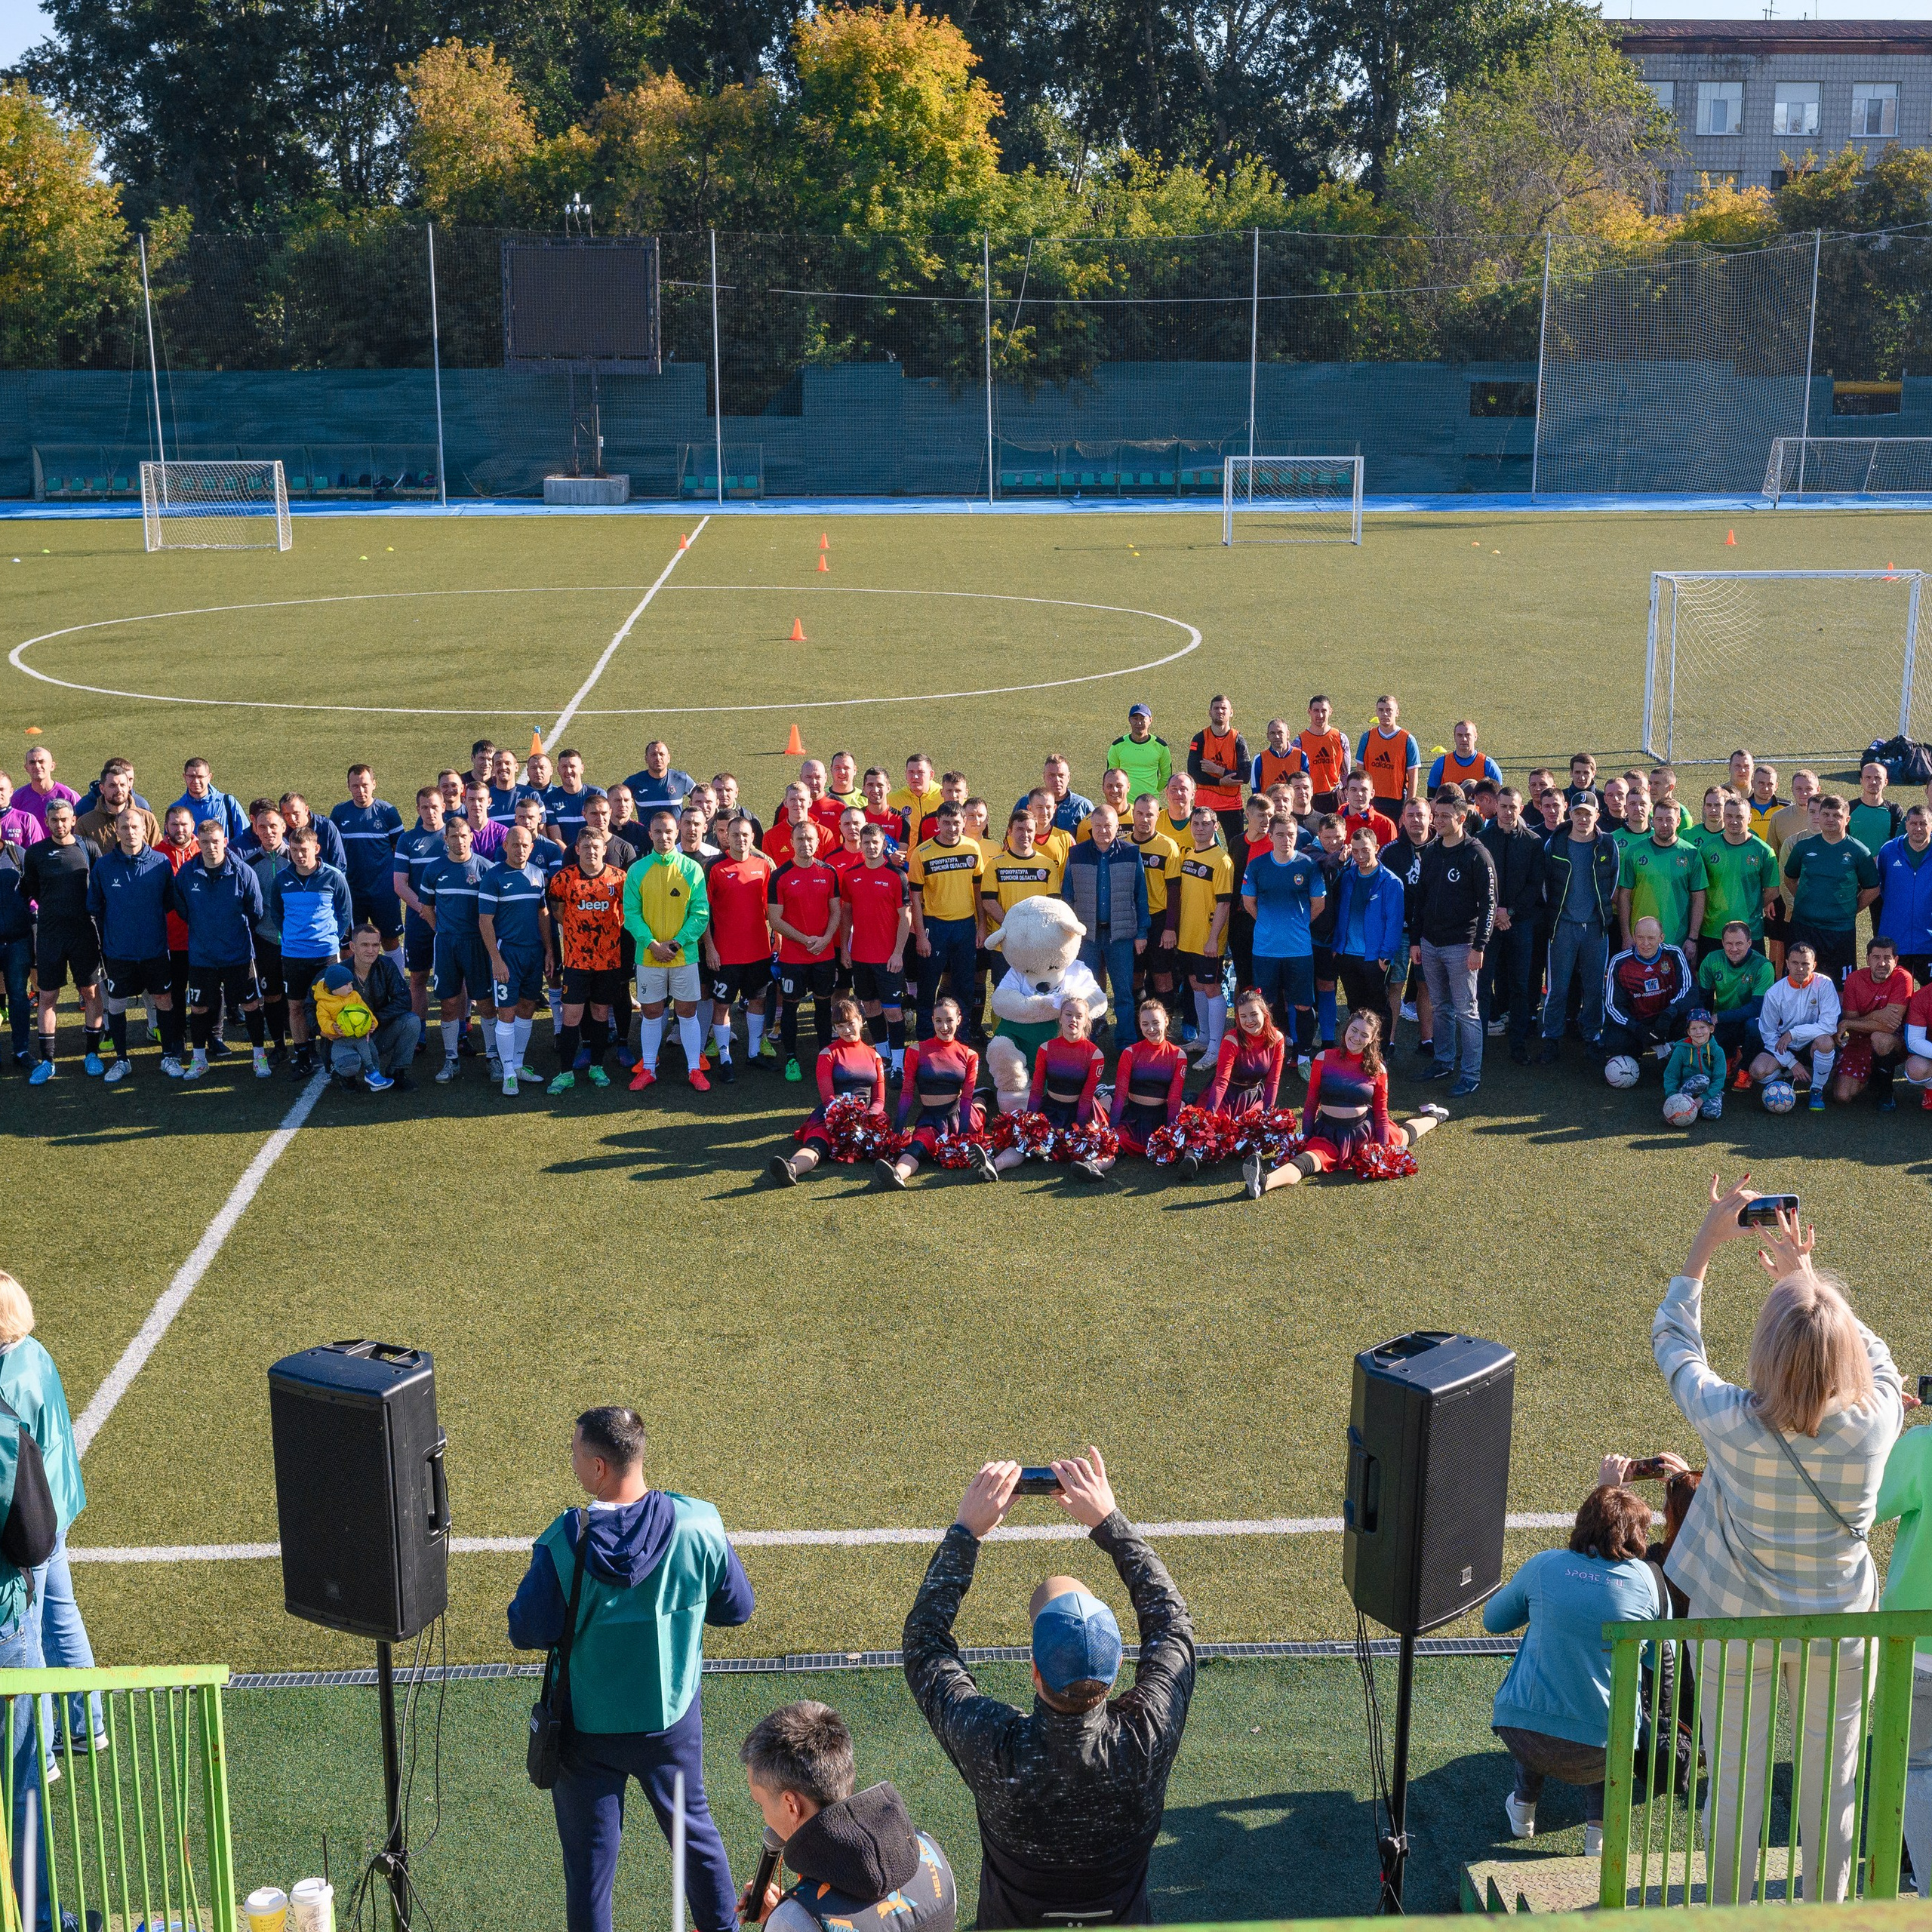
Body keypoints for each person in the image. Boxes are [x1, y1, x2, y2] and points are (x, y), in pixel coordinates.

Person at [1653, 1180, 1902, 1906]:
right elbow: (1875, 1357)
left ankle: (1729, 1918)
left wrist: (1706, 1242)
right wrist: (1808, 1280)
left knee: (1733, 1785)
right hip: (1840, 1627)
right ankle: (1824, 1918)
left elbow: (1674, 1339)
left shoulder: (1731, 1419)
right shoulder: (1877, 1420)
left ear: (1766, 1348)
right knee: (1837, 1789)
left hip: (1736, 1624)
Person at [903, 1448, 1194, 1931]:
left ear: (1034, 1671)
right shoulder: (1146, 1738)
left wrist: (966, 1532)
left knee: (1055, 1591)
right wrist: (1108, 1519)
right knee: (1063, 1589)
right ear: (1118, 1666)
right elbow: (1173, 1627)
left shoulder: (994, 1745)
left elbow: (924, 1645)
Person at [508, 1406, 753, 1932]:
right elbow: (737, 1608)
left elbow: (525, 1629)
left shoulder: (565, 1541)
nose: (571, 1460)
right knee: (696, 1838)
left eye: (575, 1452)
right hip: (671, 1722)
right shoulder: (700, 1523)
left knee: (590, 1871)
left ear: (598, 1467)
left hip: (585, 1731)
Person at [1481, 1473, 1668, 1858]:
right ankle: (1597, 1835)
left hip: (1524, 1735)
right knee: (1612, 1711)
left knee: (1542, 1686)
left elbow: (1493, 1621)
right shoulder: (1647, 1583)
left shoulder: (1545, 1566)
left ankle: (1523, 1808)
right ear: (1637, 1536)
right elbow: (1655, 1658)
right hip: (1601, 1752)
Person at [738, 1701, 957, 1932]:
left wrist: (786, 1921)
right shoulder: (932, 1855)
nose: (764, 1816)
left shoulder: (795, 1921)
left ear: (792, 1805)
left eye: (760, 1803)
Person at [0, 1271, 101, 1765]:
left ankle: (40, 1753)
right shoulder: (32, 1351)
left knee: (30, 1631)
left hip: (31, 1521)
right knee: (63, 1617)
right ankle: (88, 1725)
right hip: (58, 1502)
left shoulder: (5, 1380)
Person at [1247, 1007, 1444, 1198]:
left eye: (1364, 1035)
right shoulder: (1324, 1058)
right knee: (1307, 1161)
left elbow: (1381, 1114)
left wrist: (1382, 1149)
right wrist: (1305, 1137)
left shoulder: (1378, 1069)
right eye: (1354, 1030)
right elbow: (1311, 1103)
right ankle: (1263, 1183)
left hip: (1364, 1134)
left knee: (1404, 1135)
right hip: (1328, 1133)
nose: (1357, 1038)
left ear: (1372, 1039)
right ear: (1346, 1029)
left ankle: (1434, 1117)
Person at [1872, 1394, 1932, 1896]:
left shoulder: (1923, 1446)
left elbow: (1863, 1507)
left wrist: (1888, 1435)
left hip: (1917, 1645)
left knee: (1915, 1768)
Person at [86, 805, 186, 1081]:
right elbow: (94, 906)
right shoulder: (104, 866)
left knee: (163, 1000)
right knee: (117, 1004)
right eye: (125, 828)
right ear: (116, 831)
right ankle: (121, 1060)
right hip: (119, 953)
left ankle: (168, 1056)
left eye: (135, 827)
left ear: (145, 829)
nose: (130, 832)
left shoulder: (161, 864)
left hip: (155, 950)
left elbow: (169, 903)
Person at [166, 817, 269, 1081]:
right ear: (197, 843)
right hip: (202, 956)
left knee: (250, 1004)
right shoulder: (188, 874)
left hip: (238, 954)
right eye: (204, 843)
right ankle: (199, 1060)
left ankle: (259, 1056)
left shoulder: (243, 872)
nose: (210, 847)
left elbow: (255, 911)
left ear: (224, 842)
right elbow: (183, 910)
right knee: (199, 1008)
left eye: (215, 842)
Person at [1410, 786, 1494, 1098]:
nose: (1438, 821)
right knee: (1440, 1007)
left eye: (1445, 816)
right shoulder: (1430, 852)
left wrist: (1479, 946)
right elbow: (1420, 900)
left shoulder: (1477, 854)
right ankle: (1444, 1062)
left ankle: (1471, 1074)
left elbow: (1489, 904)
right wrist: (1418, 941)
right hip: (1430, 945)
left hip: (1462, 947)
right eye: (1436, 815)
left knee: (1467, 1012)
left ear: (1461, 818)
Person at [624, 810, 712, 1095]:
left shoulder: (691, 869)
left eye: (669, 832)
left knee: (687, 1012)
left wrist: (675, 944)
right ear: (650, 835)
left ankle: (693, 1069)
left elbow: (700, 914)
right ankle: (648, 1068)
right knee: (651, 1013)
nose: (664, 837)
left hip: (683, 956)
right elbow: (631, 915)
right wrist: (652, 945)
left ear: (677, 834)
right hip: (649, 957)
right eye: (658, 832)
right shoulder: (638, 870)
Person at [22, 799, 103, 1084]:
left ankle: (92, 1054)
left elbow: (99, 886)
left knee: (91, 992)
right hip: (50, 935)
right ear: (47, 822)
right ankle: (48, 1060)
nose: (59, 825)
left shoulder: (88, 847)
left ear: (73, 820)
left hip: (84, 934)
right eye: (54, 820)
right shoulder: (35, 853)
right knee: (47, 996)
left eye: (64, 819)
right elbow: (29, 890)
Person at [265, 824, 355, 1078]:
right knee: (294, 1006)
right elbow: (277, 913)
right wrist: (294, 937)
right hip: (294, 955)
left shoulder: (333, 877)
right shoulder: (282, 879)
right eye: (294, 850)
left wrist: (331, 940)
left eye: (303, 850)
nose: (298, 855)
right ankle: (302, 1055)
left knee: (332, 1005)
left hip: (326, 954)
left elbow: (344, 913)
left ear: (316, 849)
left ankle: (333, 1056)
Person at [989, 998, 1112, 1182]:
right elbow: (1037, 1089)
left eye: (1079, 1016)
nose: (1073, 1020)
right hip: (1051, 1110)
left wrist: (1078, 1128)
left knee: (1103, 1147)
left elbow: (1086, 1097)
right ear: (1060, 1018)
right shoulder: (1046, 1048)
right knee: (1023, 1143)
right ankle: (994, 1164)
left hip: (1082, 1112)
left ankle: (1093, 1166)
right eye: (1068, 1014)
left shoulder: (1095, 1054)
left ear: (1087, 1021)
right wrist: (1029, 1121)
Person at [769, 996, 888, 1185]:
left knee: (885, 1146)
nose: (847, 1030)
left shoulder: (874, 1055)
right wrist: (842, 1118)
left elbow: (879, 1099)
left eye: (850, 1023)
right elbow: (827, 1098)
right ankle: (792, 1168)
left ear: (861, 1021)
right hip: (832, 1116)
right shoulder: (827, 1054)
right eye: (840, 1026)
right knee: (819, 1142)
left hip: (867, 1117)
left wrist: (869, 1118)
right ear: (834, 1028)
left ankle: (893, 1174)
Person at [546, 829, 629, 1093]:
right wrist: (576, 929)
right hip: (576, 962)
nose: (591, 851)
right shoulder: (563, 878)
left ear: (604, 849)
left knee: (601, 1013)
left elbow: (627, 912)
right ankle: (565, 1072)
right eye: (586, 847)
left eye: (596, 846)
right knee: (571, 1016)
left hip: (608, 961)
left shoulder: (619, 878)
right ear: (577, 849)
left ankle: (597, 1066)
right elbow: (558, 911)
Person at [878, 997, 984, 1188]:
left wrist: (961, 1135)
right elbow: (907, 1093)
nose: (944, 1027)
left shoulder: (969, 1055)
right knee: (918, 1145)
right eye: (939, 1021)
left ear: (959, 1020)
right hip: (931, 1118)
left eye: (950, 1020)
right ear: (932, 1020)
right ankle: (897, 1174)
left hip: (960, 1115)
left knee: (979, 1108)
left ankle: (984, 1097)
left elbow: (966, 1097)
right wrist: (897, 1130)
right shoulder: (916, 1051)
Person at [479, 824, 553, 1096]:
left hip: (533, 954)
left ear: (531, 848)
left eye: (525, 845)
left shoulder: (537, 875)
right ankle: (508, 1071)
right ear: (505, 846)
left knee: (527, 1007)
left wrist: (549, 951)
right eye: (515, 844)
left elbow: (543, 915)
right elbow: (485, 921)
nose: (520, 849)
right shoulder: (494, 877)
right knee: (507, 1012)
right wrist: (496, 960)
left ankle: (519, 1064)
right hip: (507, 954)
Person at [1241, 813, 1324, 1056]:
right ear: (1271, 836)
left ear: (1296, 836)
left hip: (1299, 950)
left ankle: (1304, 1054)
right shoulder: (1257, 866)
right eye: (1280, 834)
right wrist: (1269, 923)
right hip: (1265, 949)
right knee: (1266, 1005)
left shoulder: (1308, 866)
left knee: (1302, 1004)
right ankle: (1269, 1052)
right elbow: (1249, 903)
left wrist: (1297, 925)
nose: (1286, 839)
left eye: (1291, 835)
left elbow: (1318, 905)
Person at [1060, 807, 1146, 1038]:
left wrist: (1142, 932)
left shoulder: (1131, 853)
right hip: (1087, 937)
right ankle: (1087, 1040)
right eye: (1097, 826)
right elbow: (1067, 895)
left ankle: (1125, 1041)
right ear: (1091, 828)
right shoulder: (1076, 854)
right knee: (1086, 993)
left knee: (1124, 993)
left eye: (1108, 825)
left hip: (1121, 936)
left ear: (1117, 827)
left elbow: (1140, 895)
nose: (1103, 831)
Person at [770, 820, 844, 1081]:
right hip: (794, 957)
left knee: (824, 1006)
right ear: (791, 843)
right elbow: (775, 919)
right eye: (800, 839)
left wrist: (824, 940)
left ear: (818, 841)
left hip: (823, 954)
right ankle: (791, 1058)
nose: (805, 844)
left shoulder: (829, 872)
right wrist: (804, 940)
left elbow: (836, 911)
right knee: (790, 1007)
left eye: (810, 839)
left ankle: (825, 1057)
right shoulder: (779, 875)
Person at [309, 924, 422, 1091]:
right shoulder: (335, 973)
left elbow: (404, 1000)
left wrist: (370, 1020)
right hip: (344, 1039)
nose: (371, 950)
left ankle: (397, 1072)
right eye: (365, 945)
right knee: (349, 1064)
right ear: (353, 947)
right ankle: (346, 1076)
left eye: (375, 945)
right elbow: (309, 1007)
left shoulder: (387, 965)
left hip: (375, 1033)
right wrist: (322, 1030)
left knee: (412, 1021)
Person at [705, 816, 776, 1079]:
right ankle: (725, 1058)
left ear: (752, 837)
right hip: (726, 954)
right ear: (727, 837)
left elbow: (772, 910)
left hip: (758, 951)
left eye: (745, 835)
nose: (741, 839)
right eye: (735, 835)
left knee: (757, 1001)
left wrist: (776, 938)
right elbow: (703, 913)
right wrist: (710, 948)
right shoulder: (715, 867)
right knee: (722, 1005)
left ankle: (754, 1053)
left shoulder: (763, 865)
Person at [839, 823, 911, 1081]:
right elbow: (846, 913)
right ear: (860, 845)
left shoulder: (897, 876)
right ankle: (884, 1058)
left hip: (888, 958)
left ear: (884, 844)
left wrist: (898, 953)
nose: (870, 847)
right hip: (860, 956)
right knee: (870, 1007)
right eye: (866, 842)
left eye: (875, 843)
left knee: (893, 1011)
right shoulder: (850, 875)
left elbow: (906, 918)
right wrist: (845, 948)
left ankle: (900, 1064)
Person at [1783, 792, 1878, 986]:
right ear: (1819, 816)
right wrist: (1805, 901)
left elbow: (1873, 889)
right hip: (1804, 927)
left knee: (1841, 985)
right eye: (1826, 814)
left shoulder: (1859, 852)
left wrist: (1848, 909)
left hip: (1840, 931)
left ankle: (1839, 1018)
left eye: (1837, 816)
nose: (1830, 819)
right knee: (1801, 979)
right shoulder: (1803, 847)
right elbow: (1790, 878)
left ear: (1847, 819)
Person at [908, 804, 983, 1044]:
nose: (952, 828)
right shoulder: (922, 852)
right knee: (928, 987)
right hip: (935, 927)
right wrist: (920, 935)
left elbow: (978, 890)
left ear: (964, 823)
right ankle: (925, 1040)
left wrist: (981, 925)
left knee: (964, 987)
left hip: (965, 926)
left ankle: (960, 1040)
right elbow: (915, 899)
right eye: (947, 823)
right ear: (938, 823)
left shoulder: (972, 848)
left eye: (956, 823)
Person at [1479, 788, 1543, 1063]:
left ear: (1521, 808)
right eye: (1503, 806)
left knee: (1520, 984)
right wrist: (1495, 913)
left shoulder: (1533, 842)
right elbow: (1480, 883)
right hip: (1488, 924)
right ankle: (1477, 1044)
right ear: (1496, 806)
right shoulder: (1482, 840)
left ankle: (1518, 1044)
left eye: (1513, 807)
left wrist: (1510, 912)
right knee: (1482, 984)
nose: (1508, 812)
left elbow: (1535, 886)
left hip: (1521, 923)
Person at [1172, 804, 1235, 1066]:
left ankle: (1215, 1048)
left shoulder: (1222, 860)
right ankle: (1203, 1037)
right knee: (1196, 984)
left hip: (1208, 939)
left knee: (1211, 987)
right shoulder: (1187, 856)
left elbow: (1224, 904)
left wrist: (1213, 938)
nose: (1200, 829)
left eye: (1206, 824)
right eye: (1196, 824)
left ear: (1215, 826)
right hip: (1187, 936)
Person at [1330, 824, 1407, 1035]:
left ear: (1376, 847)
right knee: (1355, 1008)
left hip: (1374, 959)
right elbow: (1339, 913)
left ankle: (1381, 1052)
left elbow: (1394, 922)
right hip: (1346, 955)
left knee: (1378, 1009)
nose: (1360, 856)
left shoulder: (1391, 882)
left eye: (1365, 850)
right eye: (1355, 851)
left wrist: (1386, 956)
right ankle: (1358, 1053)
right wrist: (1337, 947)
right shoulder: (1347, 877)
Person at [1751, 940, 1842, 1111]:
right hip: (1785, 1046)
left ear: (1814, 965)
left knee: (1826, 1042)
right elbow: (1768, 1034)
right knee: (1758, 1071)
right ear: (1787, 964)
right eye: (1795, 963)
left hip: (1812, 1043)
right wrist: (1791, 1063)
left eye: (1805, 964)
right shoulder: (1775, 992)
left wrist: (1794, 1033)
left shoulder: (1825, 984)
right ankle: (1786, 1075)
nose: (1800, 968)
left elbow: (1829, 1026)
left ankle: (1817, 1089)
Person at [329, 765, 405, 964]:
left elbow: (400, 849)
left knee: (390, 940)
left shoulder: (388, 812)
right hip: (352, 891)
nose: (360, 791)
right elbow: (333, 849)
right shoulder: (339, 813)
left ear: (374, 784)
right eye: (355, 786)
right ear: (348, 786)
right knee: (350, 944)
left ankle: (397, 986)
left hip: (384, 891)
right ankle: (354, 988)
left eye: (364, 785)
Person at [1603, 917, 1693, 1078]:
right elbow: (1612, 1006)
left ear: (1661, 938)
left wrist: (1669, 1015)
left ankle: (1673, 1055)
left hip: (1666, 1019)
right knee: (1614, 1041)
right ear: (1634, 936)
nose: (1645, 943)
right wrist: (1636, 1028)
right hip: (1637, 1022)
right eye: (1640, 937)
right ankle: (1634, 1055)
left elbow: (1688, 990)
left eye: (1651, 938)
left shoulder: (1673, 954)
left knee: (1691, 1025)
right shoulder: (1619, 962)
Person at [1617, 798, 1706, 961]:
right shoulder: (1635, 852)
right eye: (1659, 819)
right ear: (1653, 820)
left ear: (1678, 821)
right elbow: (1623, 896)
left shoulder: (1691, 853)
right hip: (1640, 939)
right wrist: (1626, 935)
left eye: (1669, 820)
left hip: (1678, 937)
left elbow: (1699, 898)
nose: (1664, 825)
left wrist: (1693, 938)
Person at [1829, 935, 1912, 1107]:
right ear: (1867, 959)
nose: (1882, 963)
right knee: (1842, 1096)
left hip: (1894, 1041)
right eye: (1876, 957)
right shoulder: (1854, 979)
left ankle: (1886, 1092)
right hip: (1859, 1040)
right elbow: (1851, 1022)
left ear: (1895, 960)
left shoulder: (1903, 978)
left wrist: (1850, 1024)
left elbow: (1888, 1026)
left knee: (1880, 1038)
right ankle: (1871, 1072)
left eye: (1887, 958)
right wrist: (1875, 1015)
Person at [392, 788, 448, 1033]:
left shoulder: (455, 835)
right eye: (425, 807)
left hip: (451, 921)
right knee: (417, 978)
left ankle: (461, 1029)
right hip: (419, 920)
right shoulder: (408, 840)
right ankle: (419, 1031)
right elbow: (399, 884)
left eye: (434, 807)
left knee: (456, 979)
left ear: (444, 807)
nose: (430, 812)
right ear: (417, 810)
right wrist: (426, 910)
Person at [1698, 792, 1779, 954]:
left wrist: (1752, 906)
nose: (1733, 821)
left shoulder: (1764, 851)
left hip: (1750, 931)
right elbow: (1698, 890)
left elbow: (1773, 891)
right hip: (1713, 929)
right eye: (1729, 816)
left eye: (1739, 817)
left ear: (1749, 818)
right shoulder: (1707, 849)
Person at [1697, 921, 1777, 1082]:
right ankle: (1729, 1056)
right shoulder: (1712, 960)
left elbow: (1757, 1008)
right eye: (1729, 944)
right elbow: (1703, 997)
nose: (1734, 949)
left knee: (1754, 1027)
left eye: (1739, 943)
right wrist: (1702, 1022)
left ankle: (1746, 1068)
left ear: (1749, 943)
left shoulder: (1763, 966)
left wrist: (1719, 1017)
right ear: (1722, 943)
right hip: (1725, 1019)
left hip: (1751, 1019)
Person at [1108, 999, 1188, 1158]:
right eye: (1145, 1024)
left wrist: (1170, 1131)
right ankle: (1095, 1166)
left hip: (1161, 1119)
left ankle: (1189, 1162)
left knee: (1179, 1145)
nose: (1151, 1029)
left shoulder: (1178, 1055)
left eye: (1155, 1023)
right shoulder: (1130, 1052)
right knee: (1113, 1144)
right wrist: (1113, 1127)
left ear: (1166, 1022)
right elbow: (1120, 1095)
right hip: (1133, 1119)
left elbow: (1174, 1098)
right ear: (1139, 1024)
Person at [1875, 804, 1932, 984]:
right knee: (1895, 998)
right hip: (1895, 938)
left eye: (1923, 823)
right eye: (1913, 823)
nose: (1918, 828)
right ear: (1906, 824)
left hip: (1929, 940)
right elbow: (1880, 886)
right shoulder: (1889, 850)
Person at [1186, 696, 1248, 851]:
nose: (1220, 711)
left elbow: (1245, 776)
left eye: (1224, 708)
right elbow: (1193, 772)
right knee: (1200, 847)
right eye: (1216, 708)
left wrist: (1218, 770)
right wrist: (1221, 782)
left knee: (1236, 849)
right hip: (1205, 804)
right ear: (1210, 712)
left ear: (1231, 713)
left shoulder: (1237, 740)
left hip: (1231, 806)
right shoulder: (1200, 738)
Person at [1356, 695, 1420, 823]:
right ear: (1376, 712)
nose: (1385, 714)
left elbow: (1413, 778)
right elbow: (1359, 774)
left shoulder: (1408, 740)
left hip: (1397, 802)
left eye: (1389, 710)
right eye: (1381, 710)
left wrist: (1407, 810)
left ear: (1397, 712)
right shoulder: (1367, 738)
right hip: (1371, 800)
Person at [75, 759, 158, 849]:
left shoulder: (147, 819)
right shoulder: (85, 824)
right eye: (112, 785)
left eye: (122, 785)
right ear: (102, 789)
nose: (119, 790)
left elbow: (159, 855)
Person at [1662, 1008, 1727, 1121]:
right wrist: (1672, 1095)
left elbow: (1719, 1080)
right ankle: (1681, 1102)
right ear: (1688, 1032)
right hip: (1688, 1087)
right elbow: (1671, 1075)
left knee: (1712, 1113)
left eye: (1702, 1027)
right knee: (1702, 1079)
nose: (1698, 1032)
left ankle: (1695, 1106)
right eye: (1694, 1029)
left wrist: (1702, 1099)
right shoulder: (1681, 1050)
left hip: (1710, 1090)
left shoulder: (1717, 1051)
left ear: (1711, 1029)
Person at [0, 833, 31, 1072]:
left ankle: (21, 1050)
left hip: (17, 940)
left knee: (19, 997)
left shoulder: (17, 854)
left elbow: (33, 890)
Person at [1293, 696, 1351, 811]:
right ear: (1309, 712)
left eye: (1323, 711)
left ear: (1330, 711)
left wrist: (1345, 794)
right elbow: (1295, 774)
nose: (1320, 715)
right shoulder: (1299, 742)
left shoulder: (1340, 738)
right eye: (1316, 711)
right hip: (1310, 798)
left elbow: (1346, 772)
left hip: (1335, 796)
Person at [170, 756, 248, 842]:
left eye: (200, 777)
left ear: (209, 777)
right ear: (185, 777)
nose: (196, 781)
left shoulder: (227, 803)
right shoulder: (176, 809)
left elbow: (245, 837)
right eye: (191, 776)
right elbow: (169, 843)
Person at [1106, 705, 1171, 802]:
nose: (1139, 722)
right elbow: (1112, 776)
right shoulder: (1117, 746)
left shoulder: (1161, 746)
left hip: (1150, 803)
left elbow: (1166, 776)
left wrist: (1152, 790)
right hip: (1124, 805)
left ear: (1150, 720)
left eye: (1143, 718)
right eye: (1135, 718)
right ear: (1129, 720)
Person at [15, 743, 78, 832]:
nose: (37, 766)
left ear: (52, 766)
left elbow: (80, 830)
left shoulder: (70, 796)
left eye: (41, 762)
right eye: (32, 762)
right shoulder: (17, 797)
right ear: (26, 768)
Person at [1427, 720, 1502, 793]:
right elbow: (1432, 798)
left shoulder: (1488, 765)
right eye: (1460, 735)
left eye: (1468, 735)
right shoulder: (1441, 764)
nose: (1464, 739)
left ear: (1476, 737)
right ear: (1454, 737)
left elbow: (1498, 799)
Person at [623, 740, 697, 812]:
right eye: (653, 755)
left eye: (662, 754)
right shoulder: (634, 781)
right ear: (646, 759)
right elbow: (615, 801)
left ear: (668, 758)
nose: (658, 758)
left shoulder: (681, 779)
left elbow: (703, 797)